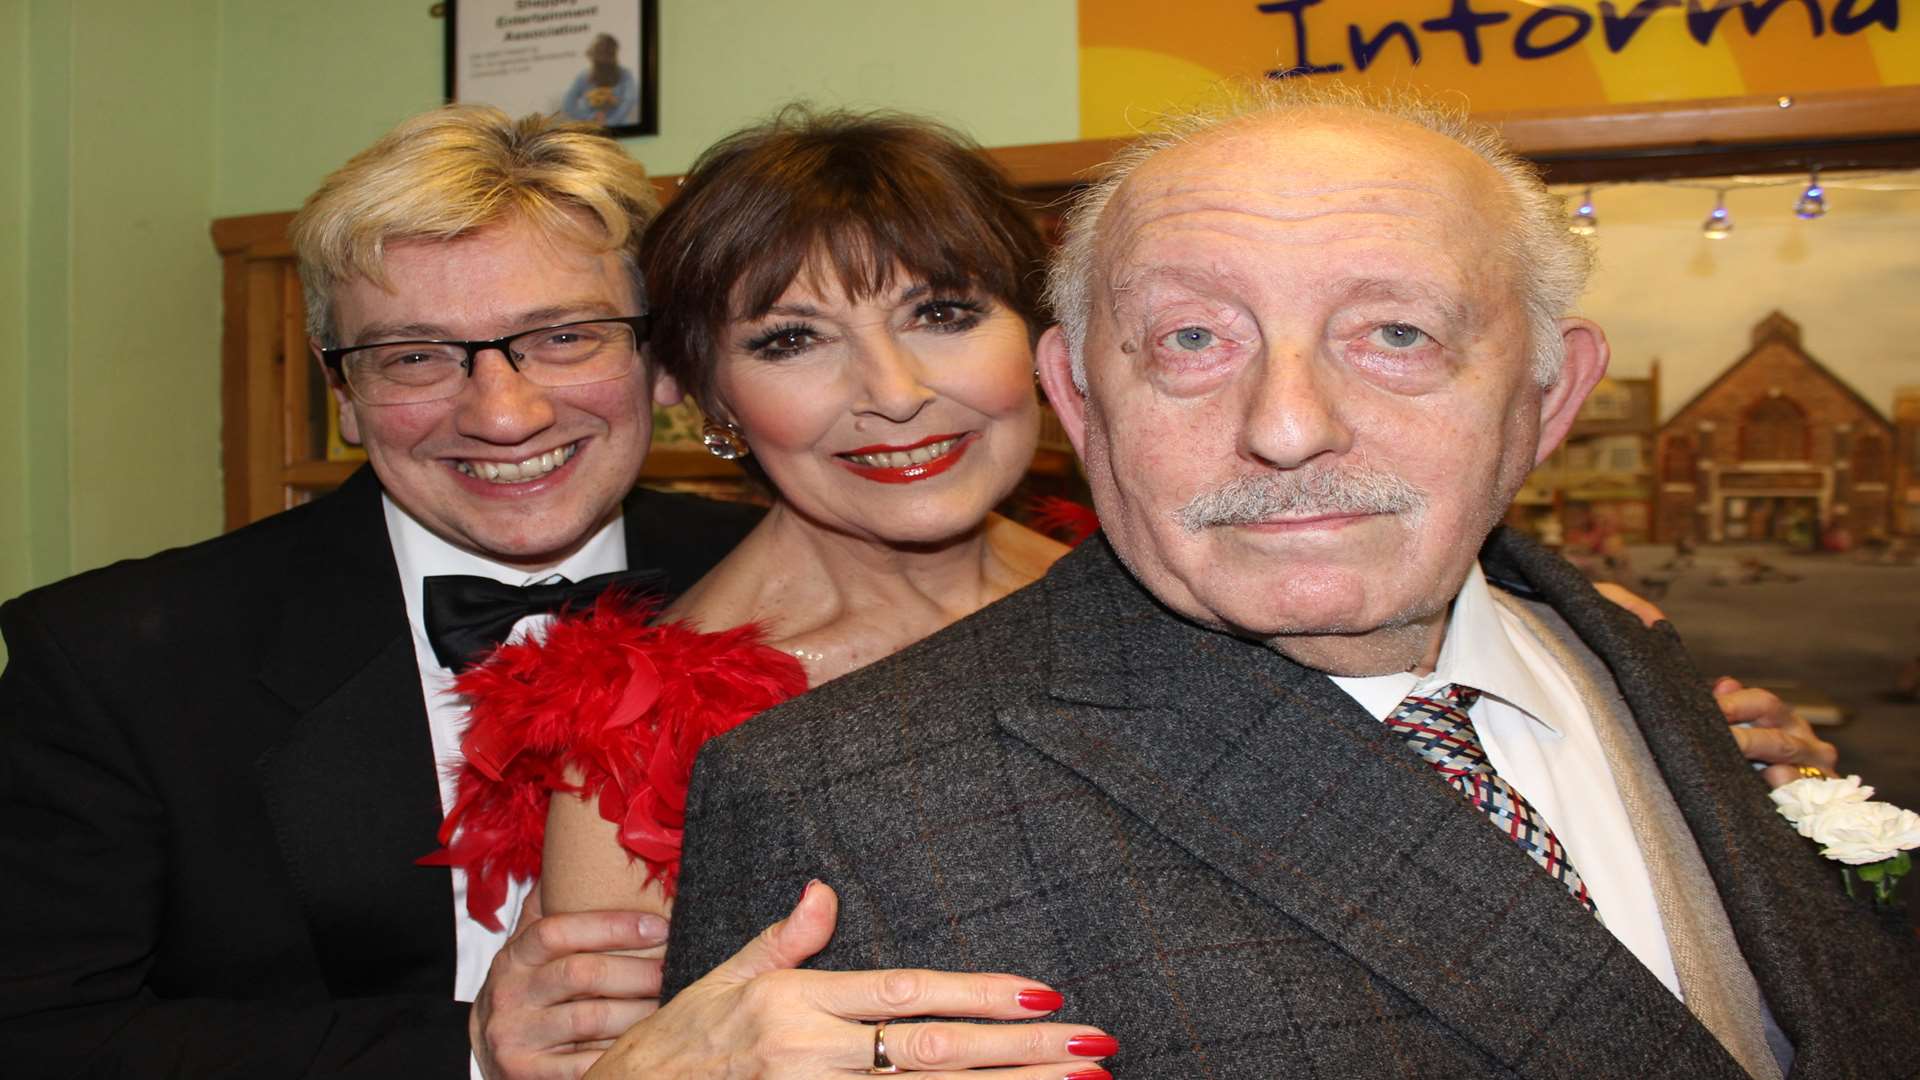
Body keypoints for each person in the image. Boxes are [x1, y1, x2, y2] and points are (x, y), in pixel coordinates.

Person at [439, 108, 1839, 1078]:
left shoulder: (1243, 553)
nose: (893, 394)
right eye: (794, 338)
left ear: (1047, 363)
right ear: (709, 396)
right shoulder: (702, 739)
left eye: (939, 314)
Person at [0, 105, 1038, 1079]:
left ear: (658, 359)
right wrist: (467, 1054)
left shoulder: (808, 575)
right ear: (343, 394)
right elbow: (37, 1035)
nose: (505, 413)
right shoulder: (117, 658)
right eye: (413, 356)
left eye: (564, 336)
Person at [562, 34, 639, 129]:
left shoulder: (625, 74)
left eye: (605, 53)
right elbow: (568, 104)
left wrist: (610, 122)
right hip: (592, 133)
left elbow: (630, 100)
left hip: (620, 130)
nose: (602, 58)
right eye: (599, 52)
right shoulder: (584, 77)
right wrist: (590, 118)